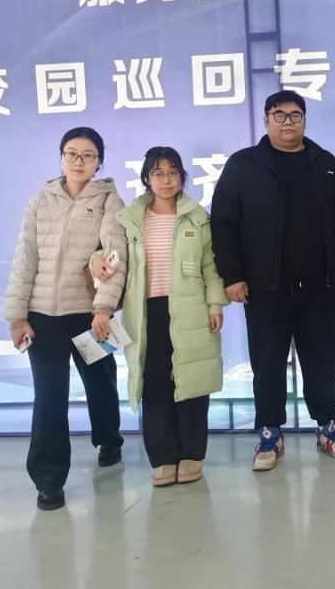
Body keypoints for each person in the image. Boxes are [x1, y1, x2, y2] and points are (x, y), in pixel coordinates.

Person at [211, 90, 335, 471]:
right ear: (266, 120)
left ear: (304, 120)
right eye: (279, 115)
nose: (287, 122)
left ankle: (327, 425)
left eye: (295, 115)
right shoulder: (243, 164)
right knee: (268, 362)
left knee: (323, 360)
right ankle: (270, 431)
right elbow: (223, 223)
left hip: (321, 285)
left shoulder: (326, 164)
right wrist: (233, 275)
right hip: (265, 287)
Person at [3, 127, 127, 511]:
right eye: (71, 153)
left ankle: (109, 439)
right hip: (42, 317)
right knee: (49, 397)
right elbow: (25, 259)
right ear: (61, 157)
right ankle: (48, 480)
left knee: (101, 383)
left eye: (88, 155)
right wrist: (16, 317)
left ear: (99, 162)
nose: (78, 161)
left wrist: (103, 309)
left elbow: (114, 258)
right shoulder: (40, 201)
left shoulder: (109, 200)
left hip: (89, 315)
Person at [102, 147, 228, 487]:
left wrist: (215, 306)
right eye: (158, 173)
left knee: (192, 380)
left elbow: (211, 266)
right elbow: (112, 257)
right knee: (155, 384)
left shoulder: (198, 217)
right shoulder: (130, 219)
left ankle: (192, 454)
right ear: (147, 178)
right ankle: (162, 456)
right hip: (146, 312)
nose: (166, 179)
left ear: (182, 177)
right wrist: (96, 261)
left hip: (190, 308)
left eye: (173, 172)